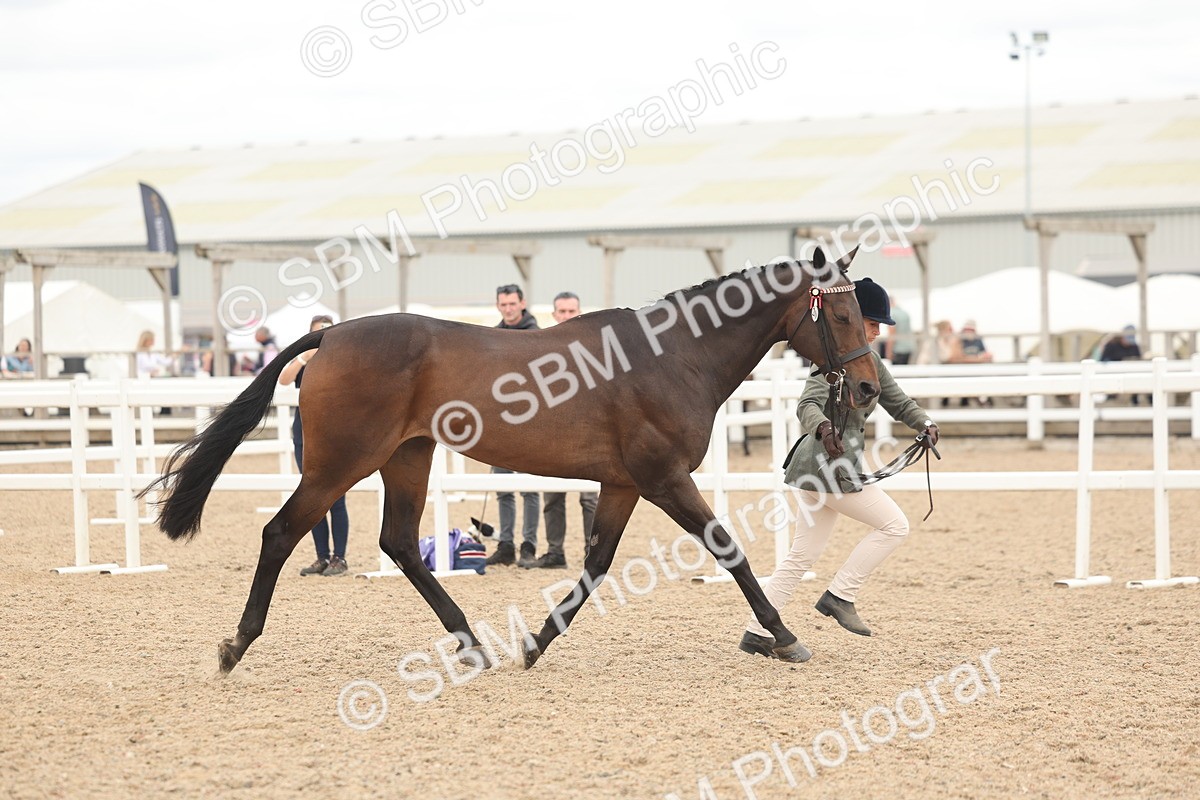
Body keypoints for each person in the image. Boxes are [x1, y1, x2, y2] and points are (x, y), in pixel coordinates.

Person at [739, 277, 939, 658]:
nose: (879, 331)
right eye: (873, 323)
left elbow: (898, 402)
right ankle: (839, 595)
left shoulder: (871, 363)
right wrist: (823, 425)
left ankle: (757, 631)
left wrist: (925, 424)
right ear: (853, 318)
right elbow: (807, 405)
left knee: (801, 555)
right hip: (825, 468)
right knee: (894, 525)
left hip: (823, 472)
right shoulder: (833, 363)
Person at [524, 291, 598, 570]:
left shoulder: (593, 348)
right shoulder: (543, 347)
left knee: (590, 498)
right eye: (562, 312)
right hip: (554, 433)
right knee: (552, 495)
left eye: (571, 311)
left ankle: (592, 552)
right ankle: (555, 552)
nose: (566, 316)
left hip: (588, 434)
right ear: (554, 315)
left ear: (580, 312)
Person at [278, 315, 350, 576]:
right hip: (305, 431)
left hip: (335, 432)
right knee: (311, 495)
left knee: (337, 497)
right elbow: (284, 380)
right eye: (319, 332)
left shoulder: (343, 361)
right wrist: (303, 357)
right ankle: (321, 556)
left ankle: (339, 558)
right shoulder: (305, 361)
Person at [486, 284, 541, 568]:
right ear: (498, 306)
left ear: (522, 303)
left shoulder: (537, 335)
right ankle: (506, 544)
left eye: (511, 303)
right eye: (503, 304)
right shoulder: (493, 336)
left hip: (531, 421)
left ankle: (529, 545)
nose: (507, 308)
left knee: (529, 487)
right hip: (500, 422)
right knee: (502, 486)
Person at [1100, 325, 1146, 405]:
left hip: (1131, 375)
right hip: (1113, 376)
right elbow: (1103, 360)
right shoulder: (1111, 345)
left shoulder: (1134, 347)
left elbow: (1139, 360)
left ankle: (1135, 401)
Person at [884, 296, 915, 365]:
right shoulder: (904, 313)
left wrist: (888, 352)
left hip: (898, 349)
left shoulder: (892, 314)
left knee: (897, 373)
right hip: (909, 347)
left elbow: (891, 334)